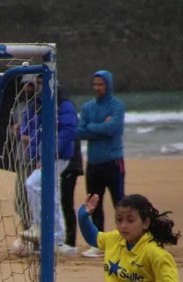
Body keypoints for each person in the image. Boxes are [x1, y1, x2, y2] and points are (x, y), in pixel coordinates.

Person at [18, 75, 78, 254]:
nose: (39, 86)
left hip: (58, 156)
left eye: (42, 82)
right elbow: (33, 128)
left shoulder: (63, 104)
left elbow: (68, 131)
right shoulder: (38, 104)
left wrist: (49, 154)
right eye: (37, 83)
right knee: (53, 193)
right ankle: (56, 239)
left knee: (33, 184)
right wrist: (35, 149)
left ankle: (39, 227)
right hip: (42, 156)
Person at [76, 70, 126, 259]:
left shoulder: (117, 105)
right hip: (93, 162)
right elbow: (79, 131)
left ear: (108, 85)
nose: (97, 88)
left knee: (120, 203)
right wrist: (98, 127)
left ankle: (126, 239)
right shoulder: (88, 107)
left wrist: (92, 127)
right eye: (95, 84)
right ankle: (98, 243)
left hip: (113, 161)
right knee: (94, 204)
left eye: (101, 84)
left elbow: (111, 128)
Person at [9, 76, 39, 232]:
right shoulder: (17, 108)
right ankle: (26, 230)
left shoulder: (41, 107)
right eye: (25, 85)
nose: (27, 89)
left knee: (35, 197)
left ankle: (38, 230)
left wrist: (31, 138)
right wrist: (13, 130)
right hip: (21, 158)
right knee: (21, 198)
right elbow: (12, 132)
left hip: (37, 159)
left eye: (30, 85)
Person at [60, 87, 85, 253]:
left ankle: (70, 241)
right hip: (64, 162)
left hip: (69, 164)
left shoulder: (65, 109)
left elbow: (72, 134)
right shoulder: (59, 110)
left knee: (66, 202)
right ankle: (64, 239)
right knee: (62, 202)